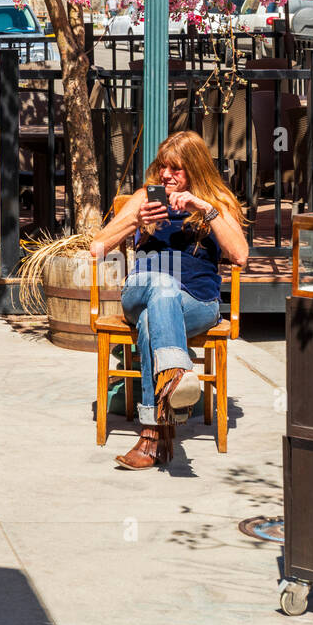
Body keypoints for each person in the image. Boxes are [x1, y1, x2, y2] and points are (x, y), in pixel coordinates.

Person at [88, 130, 248, 470]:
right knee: (162, 286)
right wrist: (136, 219)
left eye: (176, 169)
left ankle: (152, 436)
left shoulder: (216, 201)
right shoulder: (146, 197)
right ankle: (178, 374)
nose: (165, 175)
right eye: (163, 167)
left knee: (152, 319)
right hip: (141, 289)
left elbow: (239, 256)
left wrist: (205, 210)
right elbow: (97, 248)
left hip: (197, 302)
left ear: (195, 170)